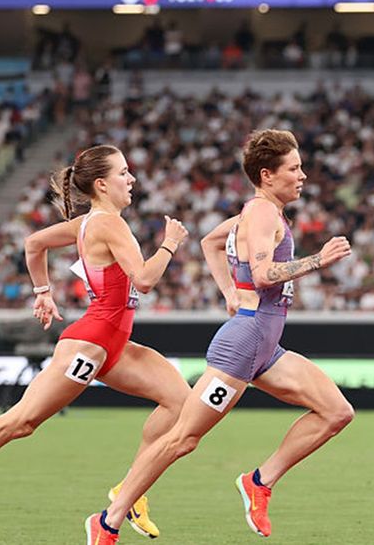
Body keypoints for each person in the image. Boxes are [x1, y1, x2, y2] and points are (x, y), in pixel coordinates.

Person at [0, 144, 190, 542]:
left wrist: (43, 292)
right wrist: (170, 243)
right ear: (101, 184)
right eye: (123, 172)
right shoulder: (108, 224)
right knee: (22, 421)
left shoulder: (89, 223)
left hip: (114, 345)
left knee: (181, 404)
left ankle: (130, 492)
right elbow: (145, 280)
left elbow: (34, 244)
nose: (131, 179)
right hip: (90, 345)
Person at [88, 129, 354, 543]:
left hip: (266, 346)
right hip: (244, 344)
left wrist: (230, 291)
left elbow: (211, 242)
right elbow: (263, 275)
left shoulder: (259, 212)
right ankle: (108, 520)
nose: (302, 176)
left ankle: (259, 482)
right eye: (294, 168)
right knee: (183, 438)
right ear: (267, 175)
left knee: (336, 412)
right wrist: (318, 259)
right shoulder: (262, 213)